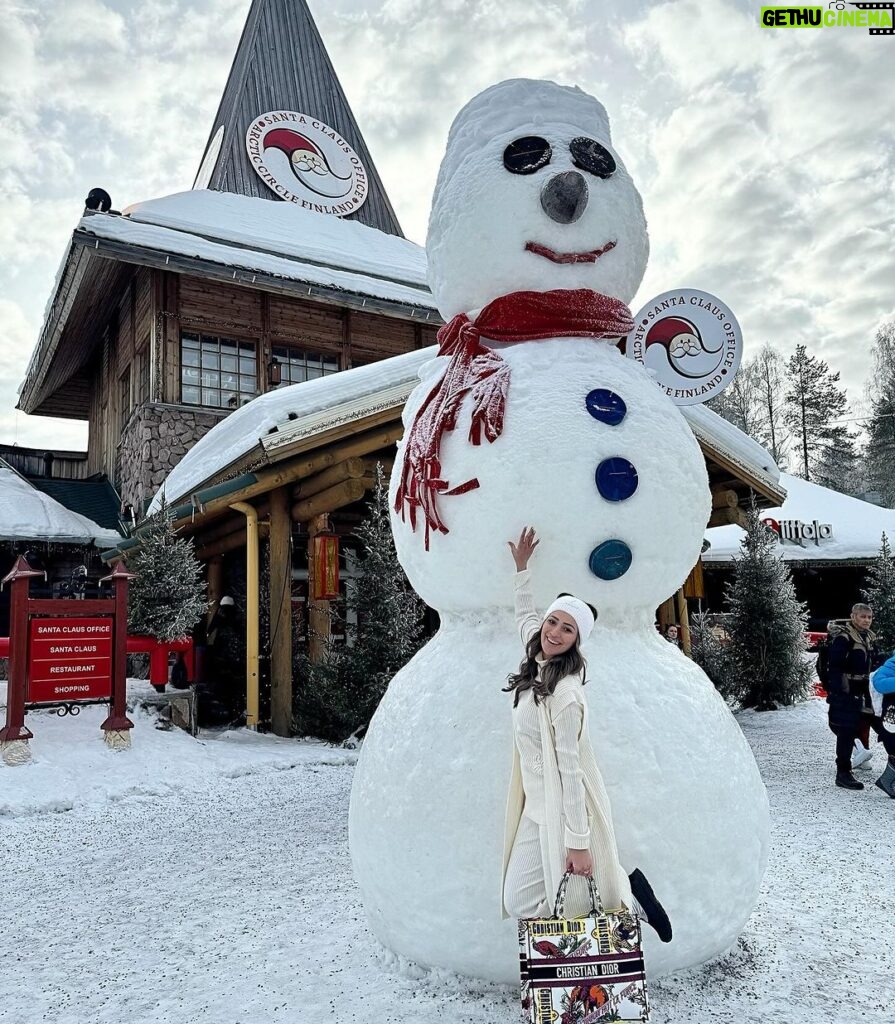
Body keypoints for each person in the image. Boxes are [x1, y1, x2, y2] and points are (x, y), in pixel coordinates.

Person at [501, 526, 671, 941]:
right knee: (517, 901)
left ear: (578, 641)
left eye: (567, 629)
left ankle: (632, 899)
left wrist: (578, 842)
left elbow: (571, 771)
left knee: (578, 898)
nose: (554, 632)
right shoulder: (539, 656)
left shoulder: (566, 694)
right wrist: (522, 569)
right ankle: (626, 892)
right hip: (534, 807)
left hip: (562, 807)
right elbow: (526, 619)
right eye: (553, 622)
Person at [826, 603, 895, 791]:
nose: (866, 620)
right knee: (846, 731)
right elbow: (834, 668)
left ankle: (891, 771)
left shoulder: (868, 638)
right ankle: (843, 773)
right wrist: (838, 692)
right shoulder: (844, 638)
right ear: (853, 616)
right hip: (847, 692)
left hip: (865, 690)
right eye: (863, 616)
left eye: (869, 617)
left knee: (884, 727)